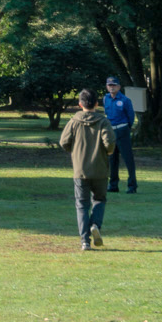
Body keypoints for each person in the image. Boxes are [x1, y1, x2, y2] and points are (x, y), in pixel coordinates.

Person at [60, 88, 115, 251]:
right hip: (100, 170)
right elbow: (110, 142)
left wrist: (74, 151)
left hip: (80, 170)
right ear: (97, 104)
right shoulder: (103, 121)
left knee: (82, 205)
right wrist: (108, 151)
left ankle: (85, 241)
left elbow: (63, 142)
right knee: (99, 200)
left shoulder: (74, 121)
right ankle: (95, 225)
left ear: (80, 104)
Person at [102, 77, 138, 193]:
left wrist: (126, 128)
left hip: (122, 130)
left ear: (119, 86)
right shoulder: (106, 98)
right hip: (111, 131)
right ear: (107, 86)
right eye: (109, 85)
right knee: (112, 159)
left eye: (114, 85)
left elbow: (131, 116)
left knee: (128, 159)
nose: (111, 87)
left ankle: (132, 186)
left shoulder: (125, 100)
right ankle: (113, 185)